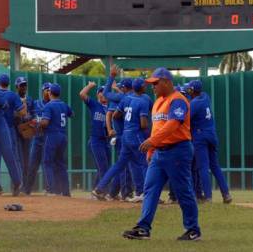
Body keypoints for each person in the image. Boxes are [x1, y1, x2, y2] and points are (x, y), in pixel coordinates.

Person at [123, 68, 201, 241]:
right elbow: (156, 127)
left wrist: (152, 142)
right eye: (151, 84)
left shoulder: (178, 100)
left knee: (183, 191)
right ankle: (143, 228)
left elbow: (173, 124)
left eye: (155, 83)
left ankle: (193, 230)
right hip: (159, 152)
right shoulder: (158, 102)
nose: (153, 87)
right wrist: (152, 149)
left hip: (178, 150)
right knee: (150, 188)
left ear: (166, 81)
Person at [92, 77, 149, 202]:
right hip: (135, 135)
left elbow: (115, 115)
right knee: (144, 163)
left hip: (124, 135)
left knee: (121, 165)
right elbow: (144, 124)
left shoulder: (125, 99)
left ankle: (100, 188)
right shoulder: (144, 100)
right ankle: (145, 193)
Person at [186, 80, 232, 204]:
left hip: (200, 136)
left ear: (192, 90)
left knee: (203, 168)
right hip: (211, 134)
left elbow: (185, 120)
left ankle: (208, 197)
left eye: (189, 89)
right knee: (215, 166)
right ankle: (226, 194)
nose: (188, 91)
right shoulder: (206, 97)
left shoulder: (194, 104)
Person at [33, 83, 73, 196]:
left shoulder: (48, 106)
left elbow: (45, 122)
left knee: (47, 162)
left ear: (50, 93)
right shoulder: (64, 105)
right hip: (63, 136)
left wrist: (37, 123)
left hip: (52, 136)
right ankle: (66, 191)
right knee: (60, 164)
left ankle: (51, 190)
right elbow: (71, 114)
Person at [103, 64, 134, 200]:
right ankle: (124, 192)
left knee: (123, 165)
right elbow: (110, 115)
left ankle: (112, 192)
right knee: (125, 165)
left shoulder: (120, 98)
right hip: (125, 135)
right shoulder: (139, 98)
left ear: (124, 88)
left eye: (121, 87)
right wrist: (110, 129)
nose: (120, 89)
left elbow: (106, 95)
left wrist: (112, 77)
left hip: (123, 134)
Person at [79, 82, 110, 188]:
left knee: (103, 167)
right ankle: (102, 191)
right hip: (95, 140)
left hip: (105, 141)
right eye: (101, 92)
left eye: (105, 92)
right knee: (103, 167)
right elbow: (82, 94)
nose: (103, 94)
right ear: (97, 94)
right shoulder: (94, 104)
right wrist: (90, 86)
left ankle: (96, 190)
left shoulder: (110, 107)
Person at [24, 82, 51, 195]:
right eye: (46, 90)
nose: (48, 92)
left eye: (50, 90)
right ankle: (27, 190)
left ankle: (49, 189)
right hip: (37, 138)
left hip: (48, 139)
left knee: (47, 165)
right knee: (32, 166)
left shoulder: (53, 105)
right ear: (42, 91)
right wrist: (30, 120)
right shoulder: (35, 103)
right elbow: (27, 115)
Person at [15, 76, 34, 191]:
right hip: (16, 131)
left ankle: (25, 187)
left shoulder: (30, 99)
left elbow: (33, 113)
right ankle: (17, 184)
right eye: (21, 85)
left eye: (25, 85)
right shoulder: (14, 98)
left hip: (27, 131)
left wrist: (29, 117)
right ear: (16, 87)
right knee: (18, 159)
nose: (24, 87)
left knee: (27, 159)